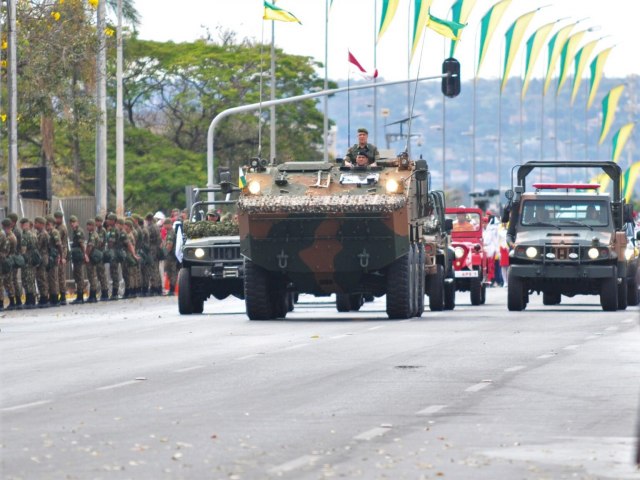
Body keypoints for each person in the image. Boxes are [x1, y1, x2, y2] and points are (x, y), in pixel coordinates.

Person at [69, 215, 88, 304]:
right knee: (77, 275)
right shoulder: (75, 231)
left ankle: (80, 297)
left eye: (74, 222)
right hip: (76, 256)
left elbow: (82, 244)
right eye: (71, 223)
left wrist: (85, 254)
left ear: (77, 222)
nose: (72, 224)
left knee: (79, 275)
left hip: (79, 256)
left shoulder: (79, 232)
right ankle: (79, 296)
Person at [33, 217, 50, 308]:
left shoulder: (43, 234)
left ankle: (44, 298)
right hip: (40, 258)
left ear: (41, 224)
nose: (35, 224)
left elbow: (38, 246)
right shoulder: (39, 233)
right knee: (40, 277)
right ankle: (43, 297)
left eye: (36, 223)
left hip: (43, 258)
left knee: (42, 277)